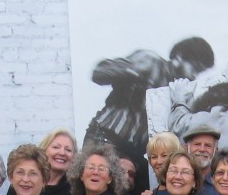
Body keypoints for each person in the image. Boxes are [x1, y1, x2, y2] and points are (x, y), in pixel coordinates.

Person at [83, 38, 214, 160]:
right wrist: (131, 71)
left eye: (200, 71)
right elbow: (99, 73)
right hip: (105, 138)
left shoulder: (179, 90)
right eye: (195, 68)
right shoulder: (150, 61)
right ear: (179, 57)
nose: (195, 75)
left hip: (134, 152)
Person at [184, 124, 221, 195]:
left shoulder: (222, 183)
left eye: (208, 145)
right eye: (197, 144)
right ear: (187, 148)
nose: (202, 149)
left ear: (216, 151)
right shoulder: (177, 180)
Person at [39, 128, 77, 195]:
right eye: (56, 147)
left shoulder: (76, 190)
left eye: (68, 150)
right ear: (44, 150)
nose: (62, 153)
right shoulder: (28, 181)